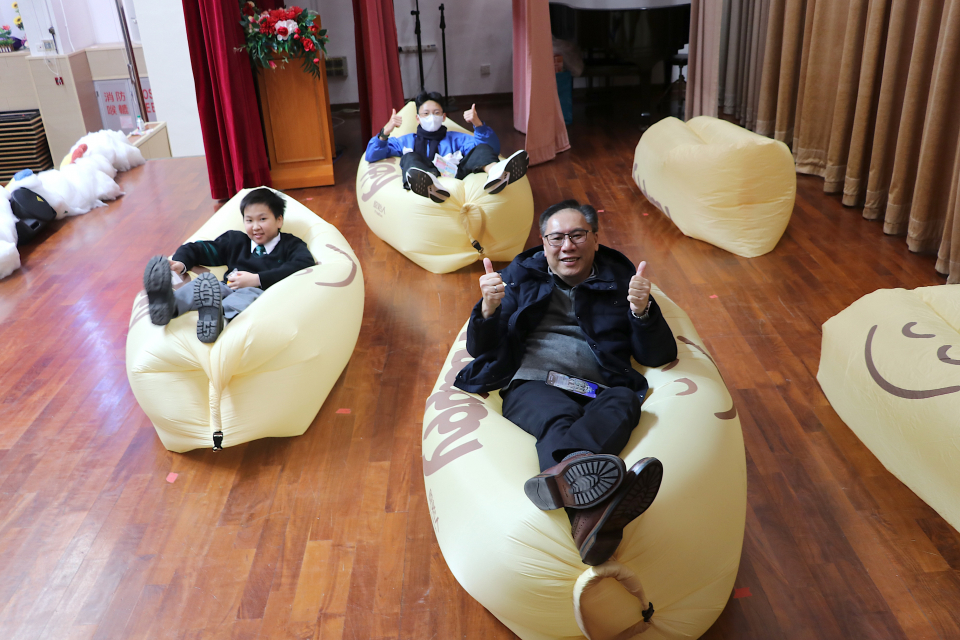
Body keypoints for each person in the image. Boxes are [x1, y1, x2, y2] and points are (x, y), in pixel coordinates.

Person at [454, 199, 678, 566]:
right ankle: (592, 502)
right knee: (557, 417)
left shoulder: (621, 281)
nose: (567, 246)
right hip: (534, 384)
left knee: (626, 400)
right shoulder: (520, 277)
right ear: (543, 244)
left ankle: (571, 488)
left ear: (595, 239)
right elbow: (480, 348)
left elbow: (658, 355)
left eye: (577, 235)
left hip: (598, 389)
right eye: (556, 238)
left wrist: (642, 312)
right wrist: (488, 309)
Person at [142, 188, 315, 343]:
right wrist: (181, 263)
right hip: (225, 287)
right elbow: (199, 249)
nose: (255, 227)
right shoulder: (235, 241)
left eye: (262, 219)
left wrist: (257, 279)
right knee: (205, 284)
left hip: (260, 294)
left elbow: (304, 264)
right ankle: (169, 306)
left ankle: (219, 319)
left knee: (246, 294)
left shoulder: (290, 245)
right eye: (249, 220)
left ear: (279, 220)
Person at [364, 91, 529, 203]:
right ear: (417, 118)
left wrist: (478, 124)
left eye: (436, 113)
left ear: (444, 117)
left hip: (456, 174)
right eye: (426, 113)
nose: (431, 117)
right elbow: (371, 155)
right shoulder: (407, 141)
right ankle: (430, 186)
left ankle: (497, 174)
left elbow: (491, 148)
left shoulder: (455, 138)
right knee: (409, 157)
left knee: (482, 148)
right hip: (428, 180)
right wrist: (386, 131)